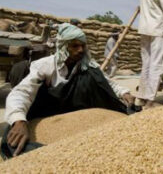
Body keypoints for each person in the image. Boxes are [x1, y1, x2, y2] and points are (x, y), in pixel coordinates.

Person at [2, 23, 135, 158]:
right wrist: (19, 121)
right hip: (47, 116)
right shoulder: (46, 66)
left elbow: (107, 82)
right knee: (18, 144)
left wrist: (124, 92)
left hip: (78, 118)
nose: (81, 50)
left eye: (83, 45)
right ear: (63, 46)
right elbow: (22, 92)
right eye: (75, 46)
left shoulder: (87, 65)